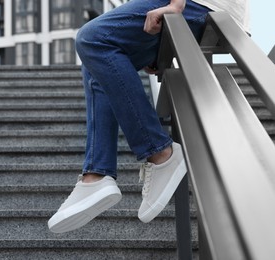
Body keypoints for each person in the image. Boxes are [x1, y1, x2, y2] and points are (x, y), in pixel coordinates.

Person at [48, 0, 249, 233]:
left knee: (93, 38)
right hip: (210, 10)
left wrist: (175, 5)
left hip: (201, 5)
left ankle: (160, 153)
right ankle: (96, 174)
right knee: (97, 64)